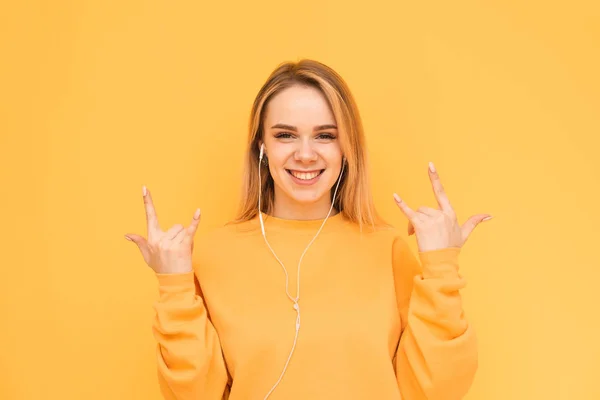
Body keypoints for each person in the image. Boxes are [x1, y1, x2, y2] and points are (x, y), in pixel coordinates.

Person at [125, 59, 491, 400]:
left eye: (325, 135)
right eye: (285, 135)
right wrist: (173, 285)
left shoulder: (387, 248)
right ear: (261, 147)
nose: (305, 154)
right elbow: (192, 394)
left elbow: (438, 390)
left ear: (347, 147)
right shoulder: (214, 254)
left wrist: (441, 267)